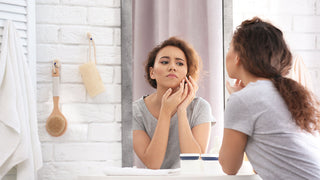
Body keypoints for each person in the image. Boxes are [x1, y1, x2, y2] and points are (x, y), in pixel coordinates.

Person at [219, 17, 320, 180]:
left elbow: (229, 166)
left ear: (238, 56)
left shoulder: (243, 100)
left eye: (230, 47)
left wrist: (239, 98)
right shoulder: (292, 93)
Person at [133, 37, 214, 169]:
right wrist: (166, 111)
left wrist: (181, 111)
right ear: (152, 72)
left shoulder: (200, 107)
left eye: (180, 63)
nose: (172, 67)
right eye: (164, 62)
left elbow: (194, 163)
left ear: (188, 73)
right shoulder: (136, 112)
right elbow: (153, 164)